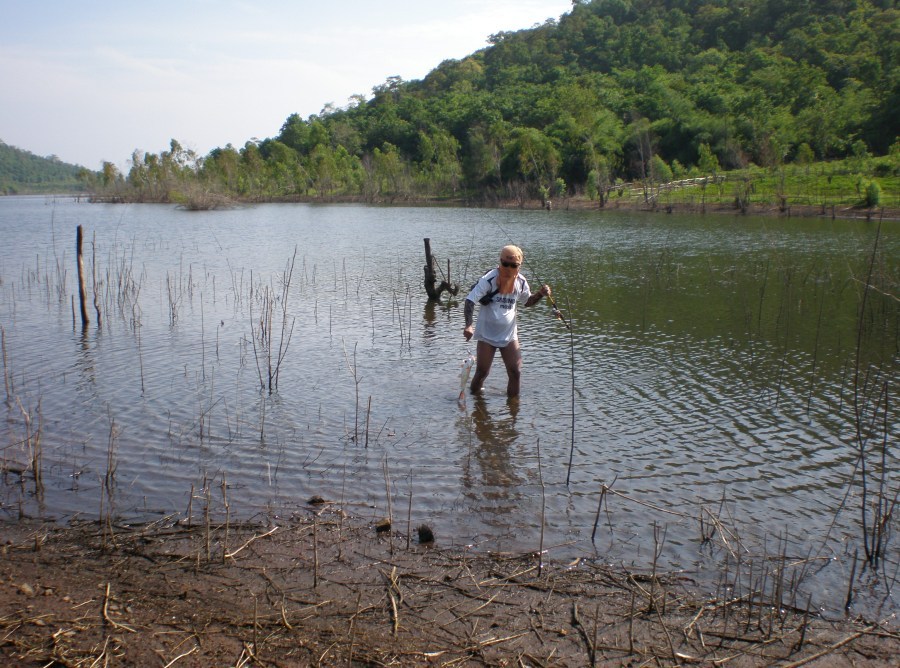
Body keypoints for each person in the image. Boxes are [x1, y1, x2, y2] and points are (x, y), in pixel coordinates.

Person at [463, 245, 551, 397]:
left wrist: (540, 294)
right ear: (500, 261)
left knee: (515, 372)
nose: (509, 268)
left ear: (519, 265)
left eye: (513, 265)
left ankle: (514, 410)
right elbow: (470, 300)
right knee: (483, 372)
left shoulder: (521, 282)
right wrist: (468, 325)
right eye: (505, 264)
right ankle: (474, 401)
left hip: (509, 335)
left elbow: (527, 302)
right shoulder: (489, 278)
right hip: (486, 334)